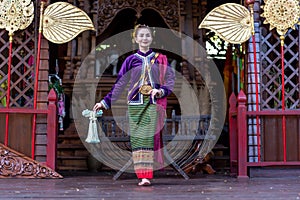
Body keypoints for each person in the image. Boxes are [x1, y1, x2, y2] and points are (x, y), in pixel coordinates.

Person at [93, 24, 175, 186]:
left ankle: (146, 176)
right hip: (135, 104)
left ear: (151, 38)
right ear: (136, 39)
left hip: (152, 103)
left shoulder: (160, 59)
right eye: (141, 36)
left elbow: (170, 81)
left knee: (147, 138)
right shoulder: (130, 61)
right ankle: (143, 175)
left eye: (147, 35)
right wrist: (104, 102)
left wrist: (160, 91)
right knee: (138, 140)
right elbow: (120, 84)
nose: (145, 38)